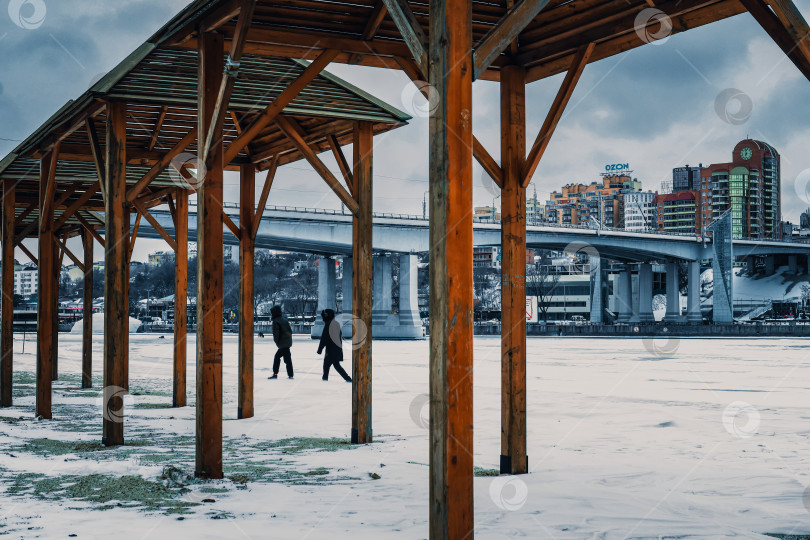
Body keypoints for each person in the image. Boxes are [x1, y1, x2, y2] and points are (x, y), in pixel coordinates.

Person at [317, 309, 352, 382]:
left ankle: (347, 379)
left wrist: (320, 349)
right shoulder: (335, 323)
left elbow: (324, 338)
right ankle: (325, 379)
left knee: (333, 366)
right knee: (330, 365)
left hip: (331, 350)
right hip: (335, 348)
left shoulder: (328, 324)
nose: (323, 318)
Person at [269, 305, 294, 380]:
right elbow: (290, 331)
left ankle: (275, 374)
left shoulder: (276, 321)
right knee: (287, 359)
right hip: (287, 342)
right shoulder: (284, 320)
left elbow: (276, 334)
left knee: (277, 357)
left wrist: (277, 342)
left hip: (282, 343)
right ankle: (290, 375)